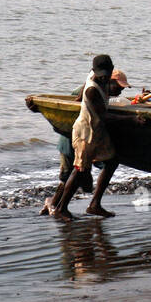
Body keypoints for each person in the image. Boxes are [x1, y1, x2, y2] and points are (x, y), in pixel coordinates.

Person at [50, 55, 145, 219]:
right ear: (94, 72)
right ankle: (61, 209)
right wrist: (132, 120)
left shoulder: (95, 78)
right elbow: (104, 117)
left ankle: (95, 205)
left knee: (112, 161)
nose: (104, 77)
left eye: (107, 74)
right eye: (101, 75)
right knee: (80, 170)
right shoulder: (92, 89)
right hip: (85, 133)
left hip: (97, 131)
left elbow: (80, 99)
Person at [41, 68, 130, 215]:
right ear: (107, 80)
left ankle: (57, 206)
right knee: (72, 175)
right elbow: (72, 110)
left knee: (91, 174)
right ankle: (55, 206)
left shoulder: (103, 91)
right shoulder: (90, 91)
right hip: (72, 139)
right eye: (118, 87)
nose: (120, 92)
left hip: (91, 137)